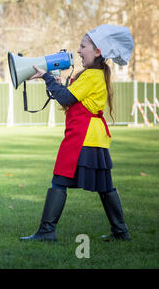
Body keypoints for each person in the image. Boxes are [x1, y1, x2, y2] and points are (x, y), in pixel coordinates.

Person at [20, 24, 133, 242]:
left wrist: (47, 77)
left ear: (97, 51)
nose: (79, 51)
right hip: (94, 139)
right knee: (105, 186)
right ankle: (120, 232)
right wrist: (54, 82)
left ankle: (47, 231)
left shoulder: (92, 75)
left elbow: (64, 99)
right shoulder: (95, 74)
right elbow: (70, 98)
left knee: (59, 181)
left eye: (83, 47)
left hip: (83, 138)